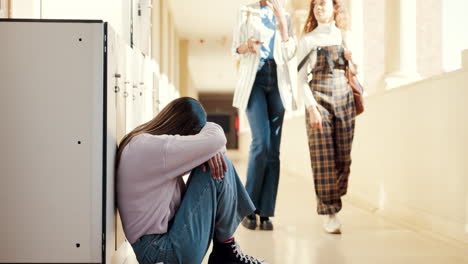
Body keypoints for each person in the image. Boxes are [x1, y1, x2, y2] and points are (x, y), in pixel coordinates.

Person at [116, 97, 266, 264]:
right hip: (161, 252)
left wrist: (211, 150)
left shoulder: (146, 143)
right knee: (216, 168)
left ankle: (226, 250)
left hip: (159, 245)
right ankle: (226, 251)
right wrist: (209, 146)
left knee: (216, 160)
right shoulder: (154, 148)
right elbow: (216, 140)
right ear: (184, 129)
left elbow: (214, 144)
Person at [232, 0, 297, 231]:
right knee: (261, 143)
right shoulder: (246, 11)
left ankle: (266, 212)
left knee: (274, 151)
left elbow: (290, 52)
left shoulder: (285, 16)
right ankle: (248, 208)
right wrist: (246, 45)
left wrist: (281, 22)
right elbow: (234, 48)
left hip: (277, 81)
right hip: (255, 80)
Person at [298, 0, 356, 234]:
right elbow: (301, 79)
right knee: (323, 158)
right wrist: (311, 107)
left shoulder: (344, 36)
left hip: (344, 96)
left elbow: (354, 71)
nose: (319, 8)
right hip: (318, 97)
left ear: (335, 8)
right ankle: (330, 212)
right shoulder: (308, 40)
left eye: (323, 3)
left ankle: (334, 193)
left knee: (343, 158)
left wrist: (352, 61)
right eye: (315, 5)